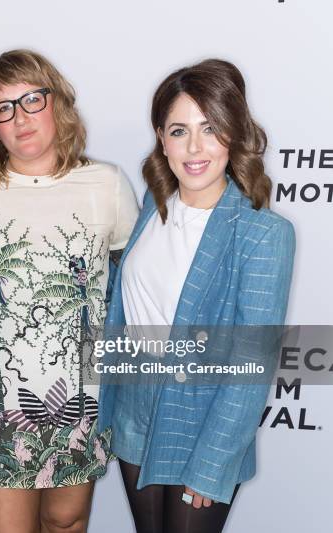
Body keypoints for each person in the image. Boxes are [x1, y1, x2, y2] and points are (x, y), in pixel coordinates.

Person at [0, 49, 138, 533]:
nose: (20, 118)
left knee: (67, 521)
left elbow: (129, 281)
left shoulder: (107, 185)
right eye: (3, 108)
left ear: (57, 102)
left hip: (82, 400)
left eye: (32, 99)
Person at [98, 59, 295, 533]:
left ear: (233, 134)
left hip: (202, 424)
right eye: (179, 130)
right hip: (133, 414)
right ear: (161, 139)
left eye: (210, 128)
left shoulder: (262, 234)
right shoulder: (152, 205)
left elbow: (251, 366)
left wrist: (213, 465)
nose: (194, 147)